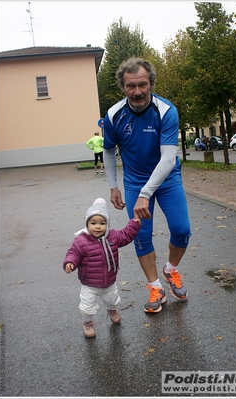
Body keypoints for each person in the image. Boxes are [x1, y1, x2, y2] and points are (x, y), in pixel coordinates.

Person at [103, 57, 191, 314]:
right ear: (123, 86)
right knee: (141, 236)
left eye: (143, 84)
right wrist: (113, 186)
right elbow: (108, 151)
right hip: (134, 180)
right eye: (131, 86)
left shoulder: (166, 110)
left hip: (167, 178)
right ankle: (155, 287)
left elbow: (167, 158)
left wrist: (146, 193)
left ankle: (171, 269)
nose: (137, 91)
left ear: (151, 83)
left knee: (182, 229)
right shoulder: (114, 114)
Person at [63, 198, 141, 338]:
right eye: (93, 223)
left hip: (109, 281)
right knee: (87, 306)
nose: (97, 227)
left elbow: (126, 235)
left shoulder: (112, 236)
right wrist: (70, 262)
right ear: (87, 224)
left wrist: (134, 225)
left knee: (112, 300)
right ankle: (87, 324)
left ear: (107, 224)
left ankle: (112, 311)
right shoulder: (81, 240)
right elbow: (73, 253)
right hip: (89, 283)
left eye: (102, 223)